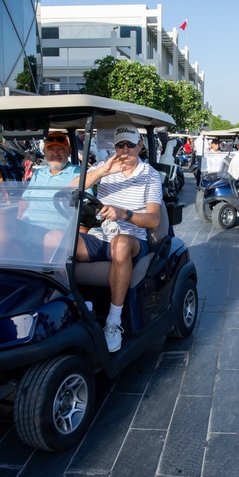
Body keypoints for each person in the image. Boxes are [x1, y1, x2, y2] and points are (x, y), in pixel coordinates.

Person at [74, 125, 162, 353]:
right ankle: (73, 305)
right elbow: (70, 189)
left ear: (140, 146)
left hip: (132, 238)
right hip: (100, 235)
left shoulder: (150, 175)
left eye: (130, 144)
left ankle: (113, 321)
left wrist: (124, 214)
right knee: (56, 240)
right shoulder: (105, 166)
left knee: (121, 244)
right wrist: (102, 172)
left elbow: (154, 220)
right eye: (120, 145)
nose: (125, 150)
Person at [0, 132, 80, 260]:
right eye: (50, 149)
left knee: (54, 238)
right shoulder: (38, 173)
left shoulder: (79, 174)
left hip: (54, 229)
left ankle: (49, 272)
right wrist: (19, 219)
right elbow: (25, 199)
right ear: (44, 152)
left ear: (69, 152)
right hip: (28, 225)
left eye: (60, 149)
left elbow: (84, 208)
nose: (55, 153)